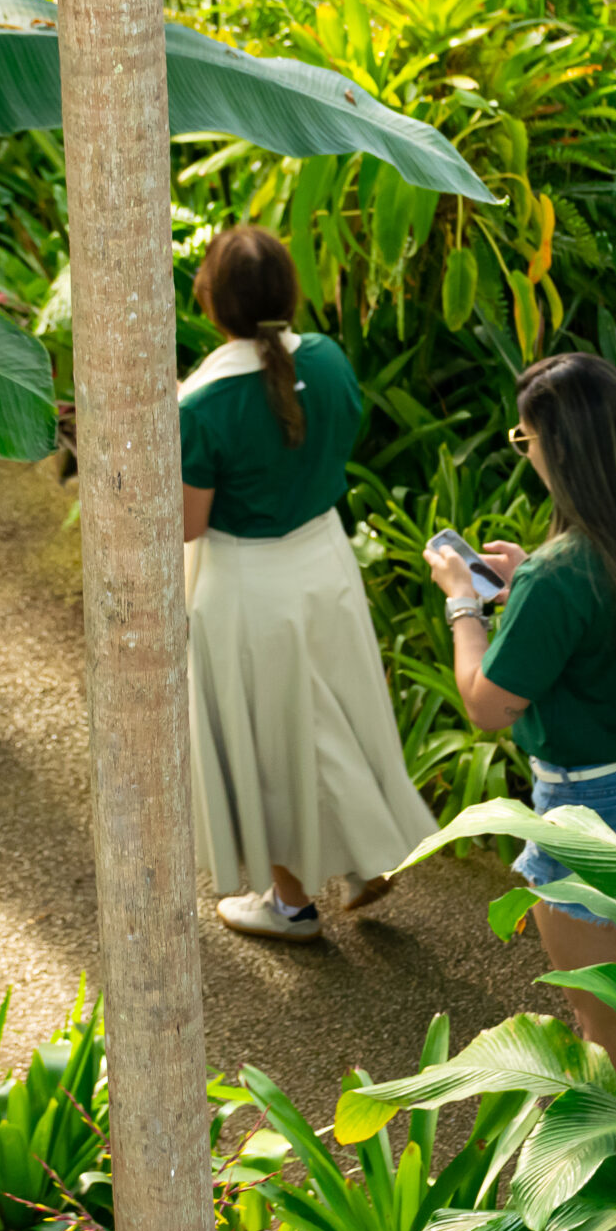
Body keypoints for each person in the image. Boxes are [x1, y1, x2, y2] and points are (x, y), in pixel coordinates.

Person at [423, 352, 616, 1073]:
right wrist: (530, 579)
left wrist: (464, 601)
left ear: (558, 445)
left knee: (603, 1017)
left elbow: (487, 702)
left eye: (526, 438)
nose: (527, 451)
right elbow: (614, 600)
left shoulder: (560, 574)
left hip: (596, 810)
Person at [181, 226, 435, 942]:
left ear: (211, 298)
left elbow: (188, 524)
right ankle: (363, 858)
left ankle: (290, 902)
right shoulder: (326, 360)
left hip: (248, 580)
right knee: (333, 717)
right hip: (322, 560)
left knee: (273, 738)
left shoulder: (201, 402)